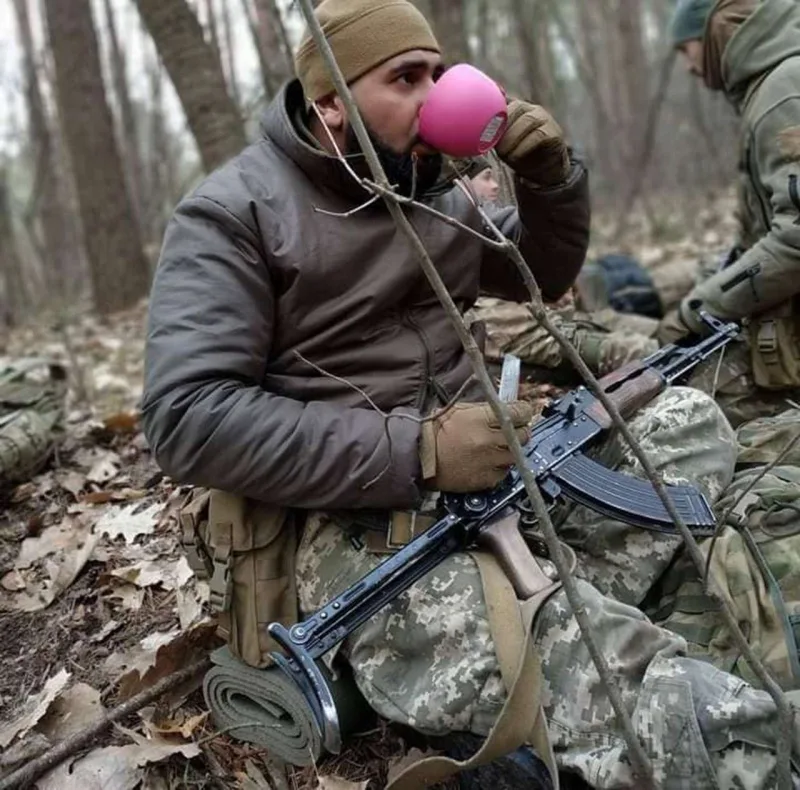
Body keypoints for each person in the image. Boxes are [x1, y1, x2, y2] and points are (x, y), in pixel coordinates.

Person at [141, 0, 799, 787]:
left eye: (438, 73)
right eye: (405, 78)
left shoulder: (431, 188)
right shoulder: (233, 214)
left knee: (682, 418)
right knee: (623, 680)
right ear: (331, 104)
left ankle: (536, 619)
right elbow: (185, 417)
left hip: (497, 477)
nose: (434, 94)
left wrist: (553, 180)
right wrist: (416, 450)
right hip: (357, 530)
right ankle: (637, 688)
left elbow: (540, 274)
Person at [656, 0, 800, 426]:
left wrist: (700, 308)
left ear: (715, 33)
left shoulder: (783, 91)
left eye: (686, 48)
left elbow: (795, 239)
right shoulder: (774, 85)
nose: (689, 66)